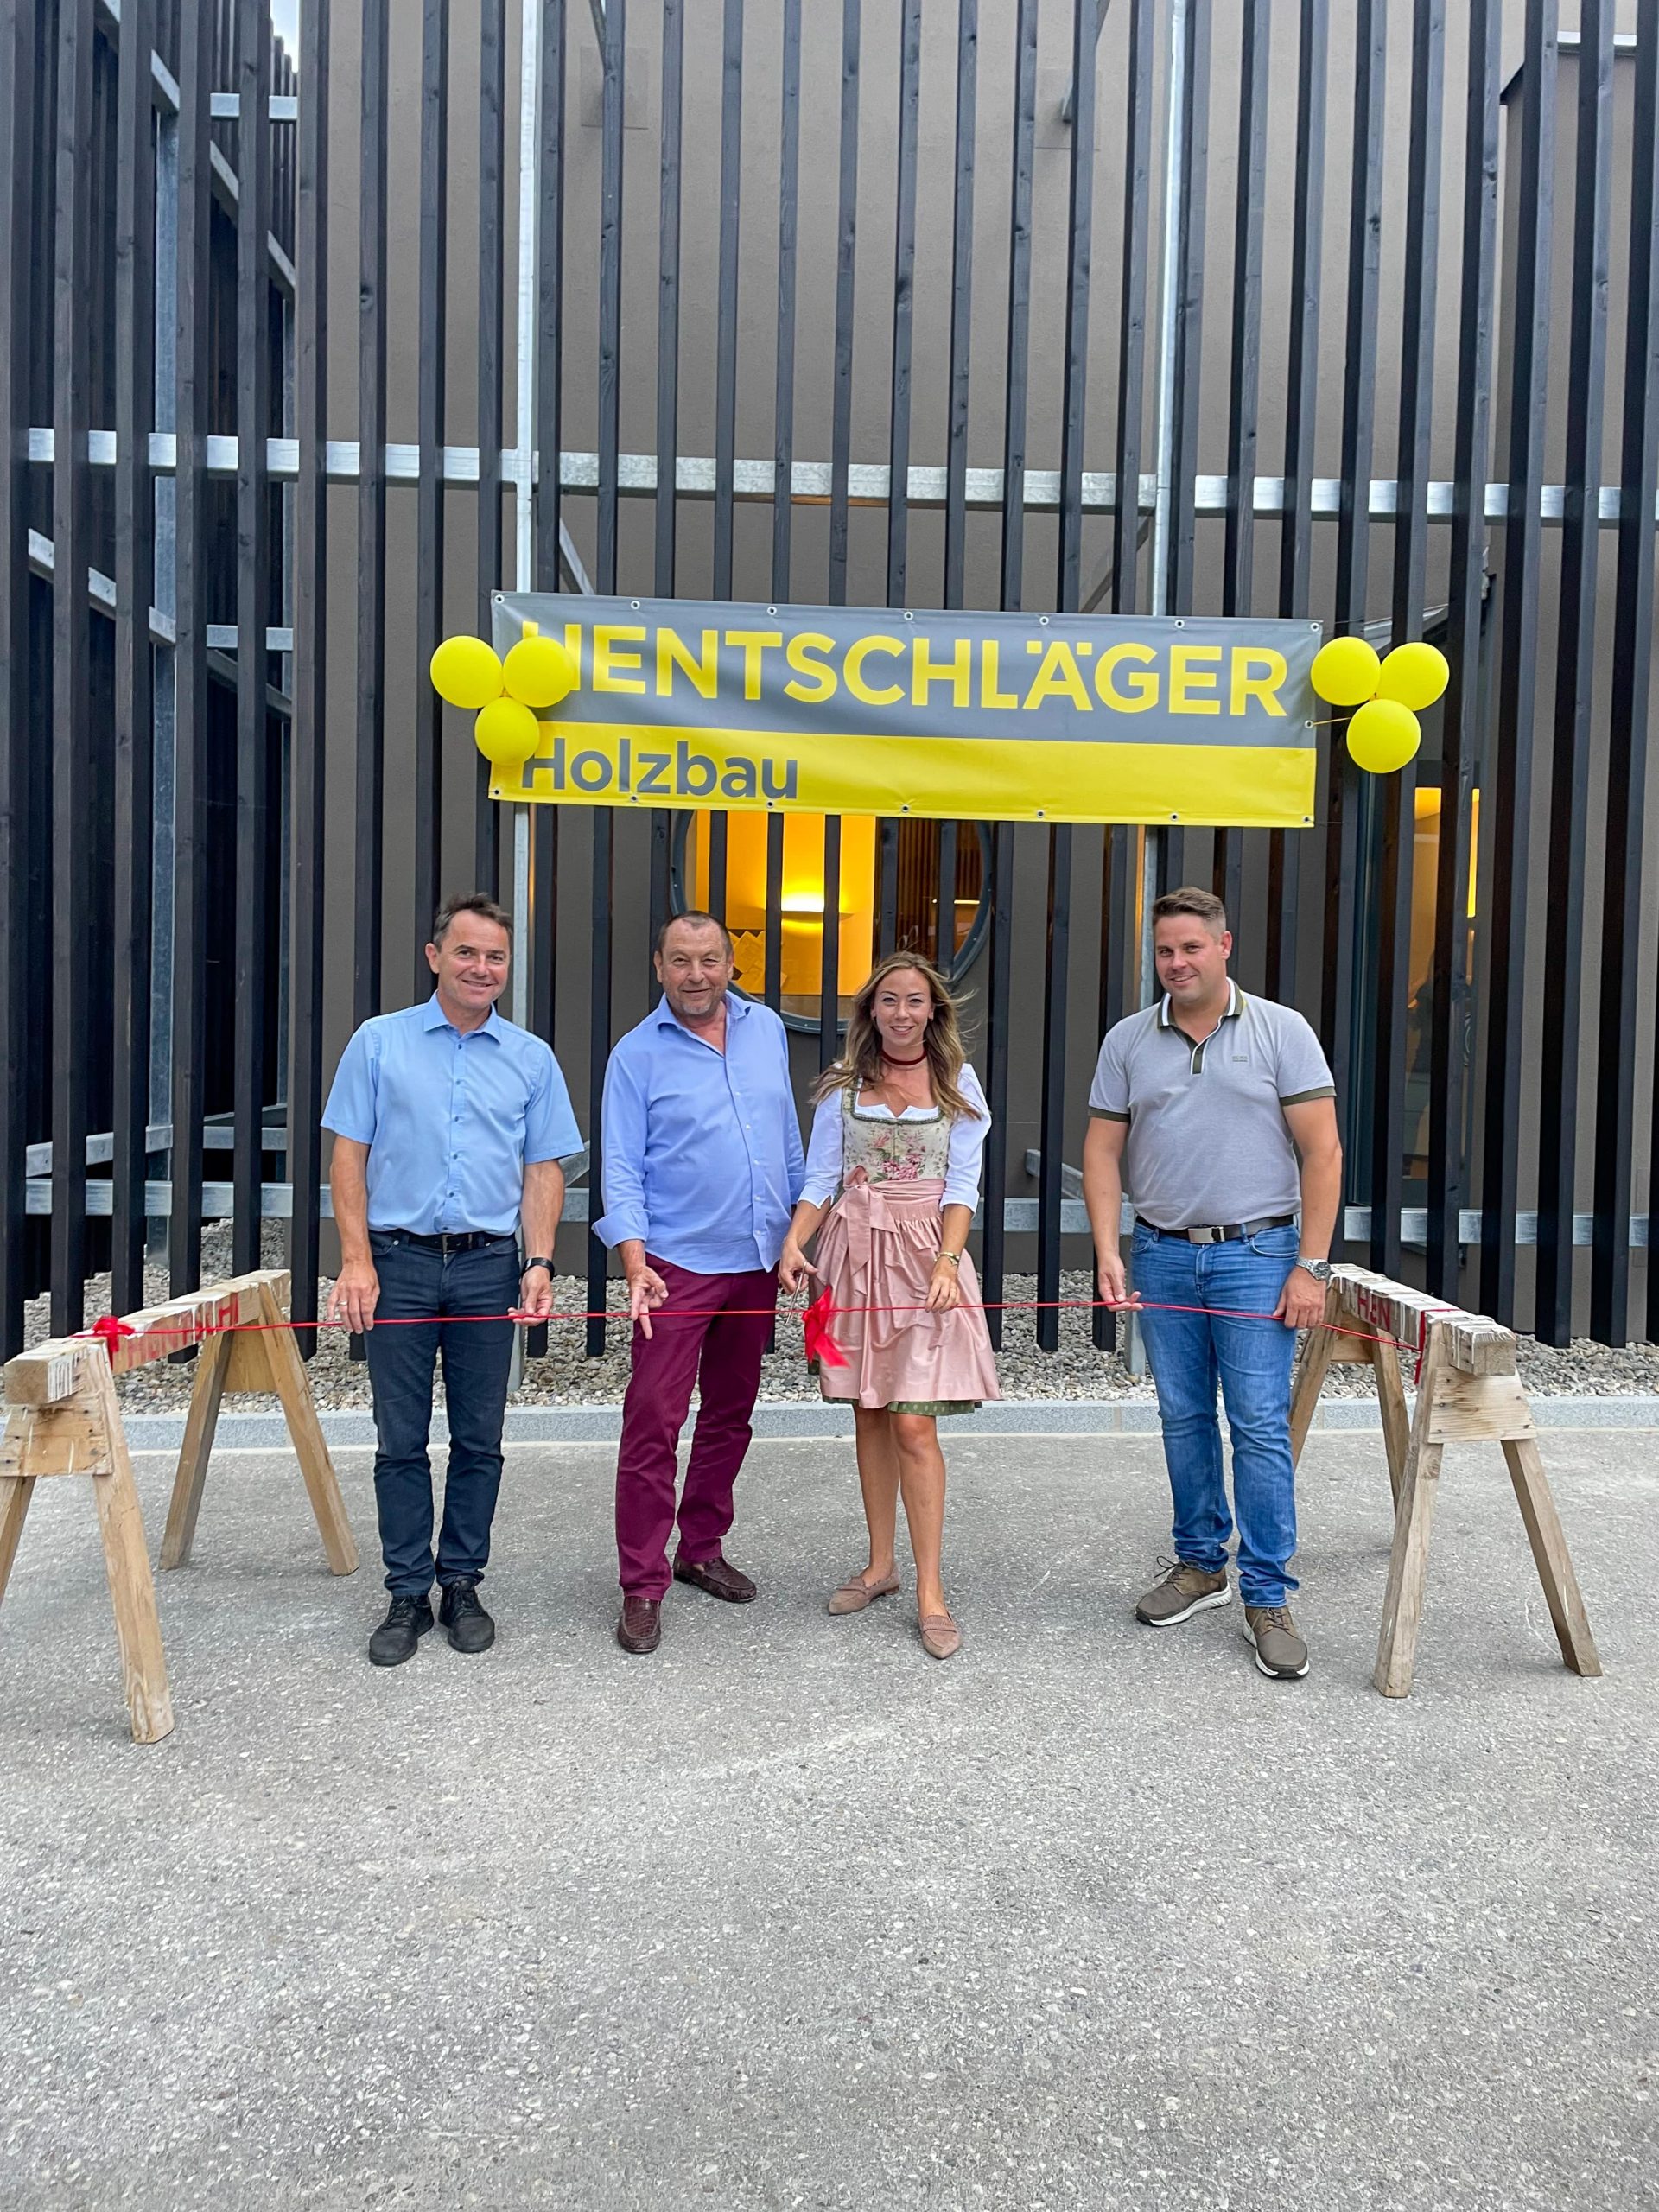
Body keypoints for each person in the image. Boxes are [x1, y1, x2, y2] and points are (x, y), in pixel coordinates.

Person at [1081, 887, 1342, 1681]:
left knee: (1258, 1424)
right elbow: (1101, 1151)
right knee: (1183, 1416)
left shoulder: (1281, 1031)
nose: (1177, 963)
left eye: (1191, 947)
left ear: (1224, 947)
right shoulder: (1129, 1040)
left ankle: (1268, 1593)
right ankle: (1201, 1564)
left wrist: (1311, 1266)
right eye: (1165, 950)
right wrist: (1108, 1249)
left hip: (1258, 1254)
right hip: (1163, 1254)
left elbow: (1323, 1152)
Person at [323, 893, 582, 1667]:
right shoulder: (379, 1043)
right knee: (400, 1439)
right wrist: (357, 1260)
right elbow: (348, 1158)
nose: (481, 967)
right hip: (397, 1263)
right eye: (466, 952)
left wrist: (538, 1261)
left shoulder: (531, 1059)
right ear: (435, 956)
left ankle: (462, 1582)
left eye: (495, 956)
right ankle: (407, 1591)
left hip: (486, 1266)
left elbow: (543, 1169)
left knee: (479, 1438)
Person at [595, 912, 807, 1656]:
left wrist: (794, 1236)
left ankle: (701, 1549)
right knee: (653, 1421)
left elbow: (785, 1138)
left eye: (709, 959)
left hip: (755, 1260)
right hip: (674, 1267)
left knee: (730, 1414)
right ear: (659, 967)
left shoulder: (766, 1029)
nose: (696, 974)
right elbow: (621, 1167)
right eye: (681, 961)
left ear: (730, 965)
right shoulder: (635, 1055)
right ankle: (642, 1582)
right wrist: (634, 1259)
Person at [779, 955, 999, 1661]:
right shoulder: (842, 1089)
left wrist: (947, 1261)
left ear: (934, 1012)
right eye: (889, 1001)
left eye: (915, 1001)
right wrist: (794, 1244)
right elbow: (821, 1180)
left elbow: (961, 1187)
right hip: (854, 1257)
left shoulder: (958, 1085)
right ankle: (880, 1566)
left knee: (914, 1424)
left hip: (926, 1256)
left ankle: (931, 1591)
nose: (902, 1013)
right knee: (869, 1412)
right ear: (870, 1011)